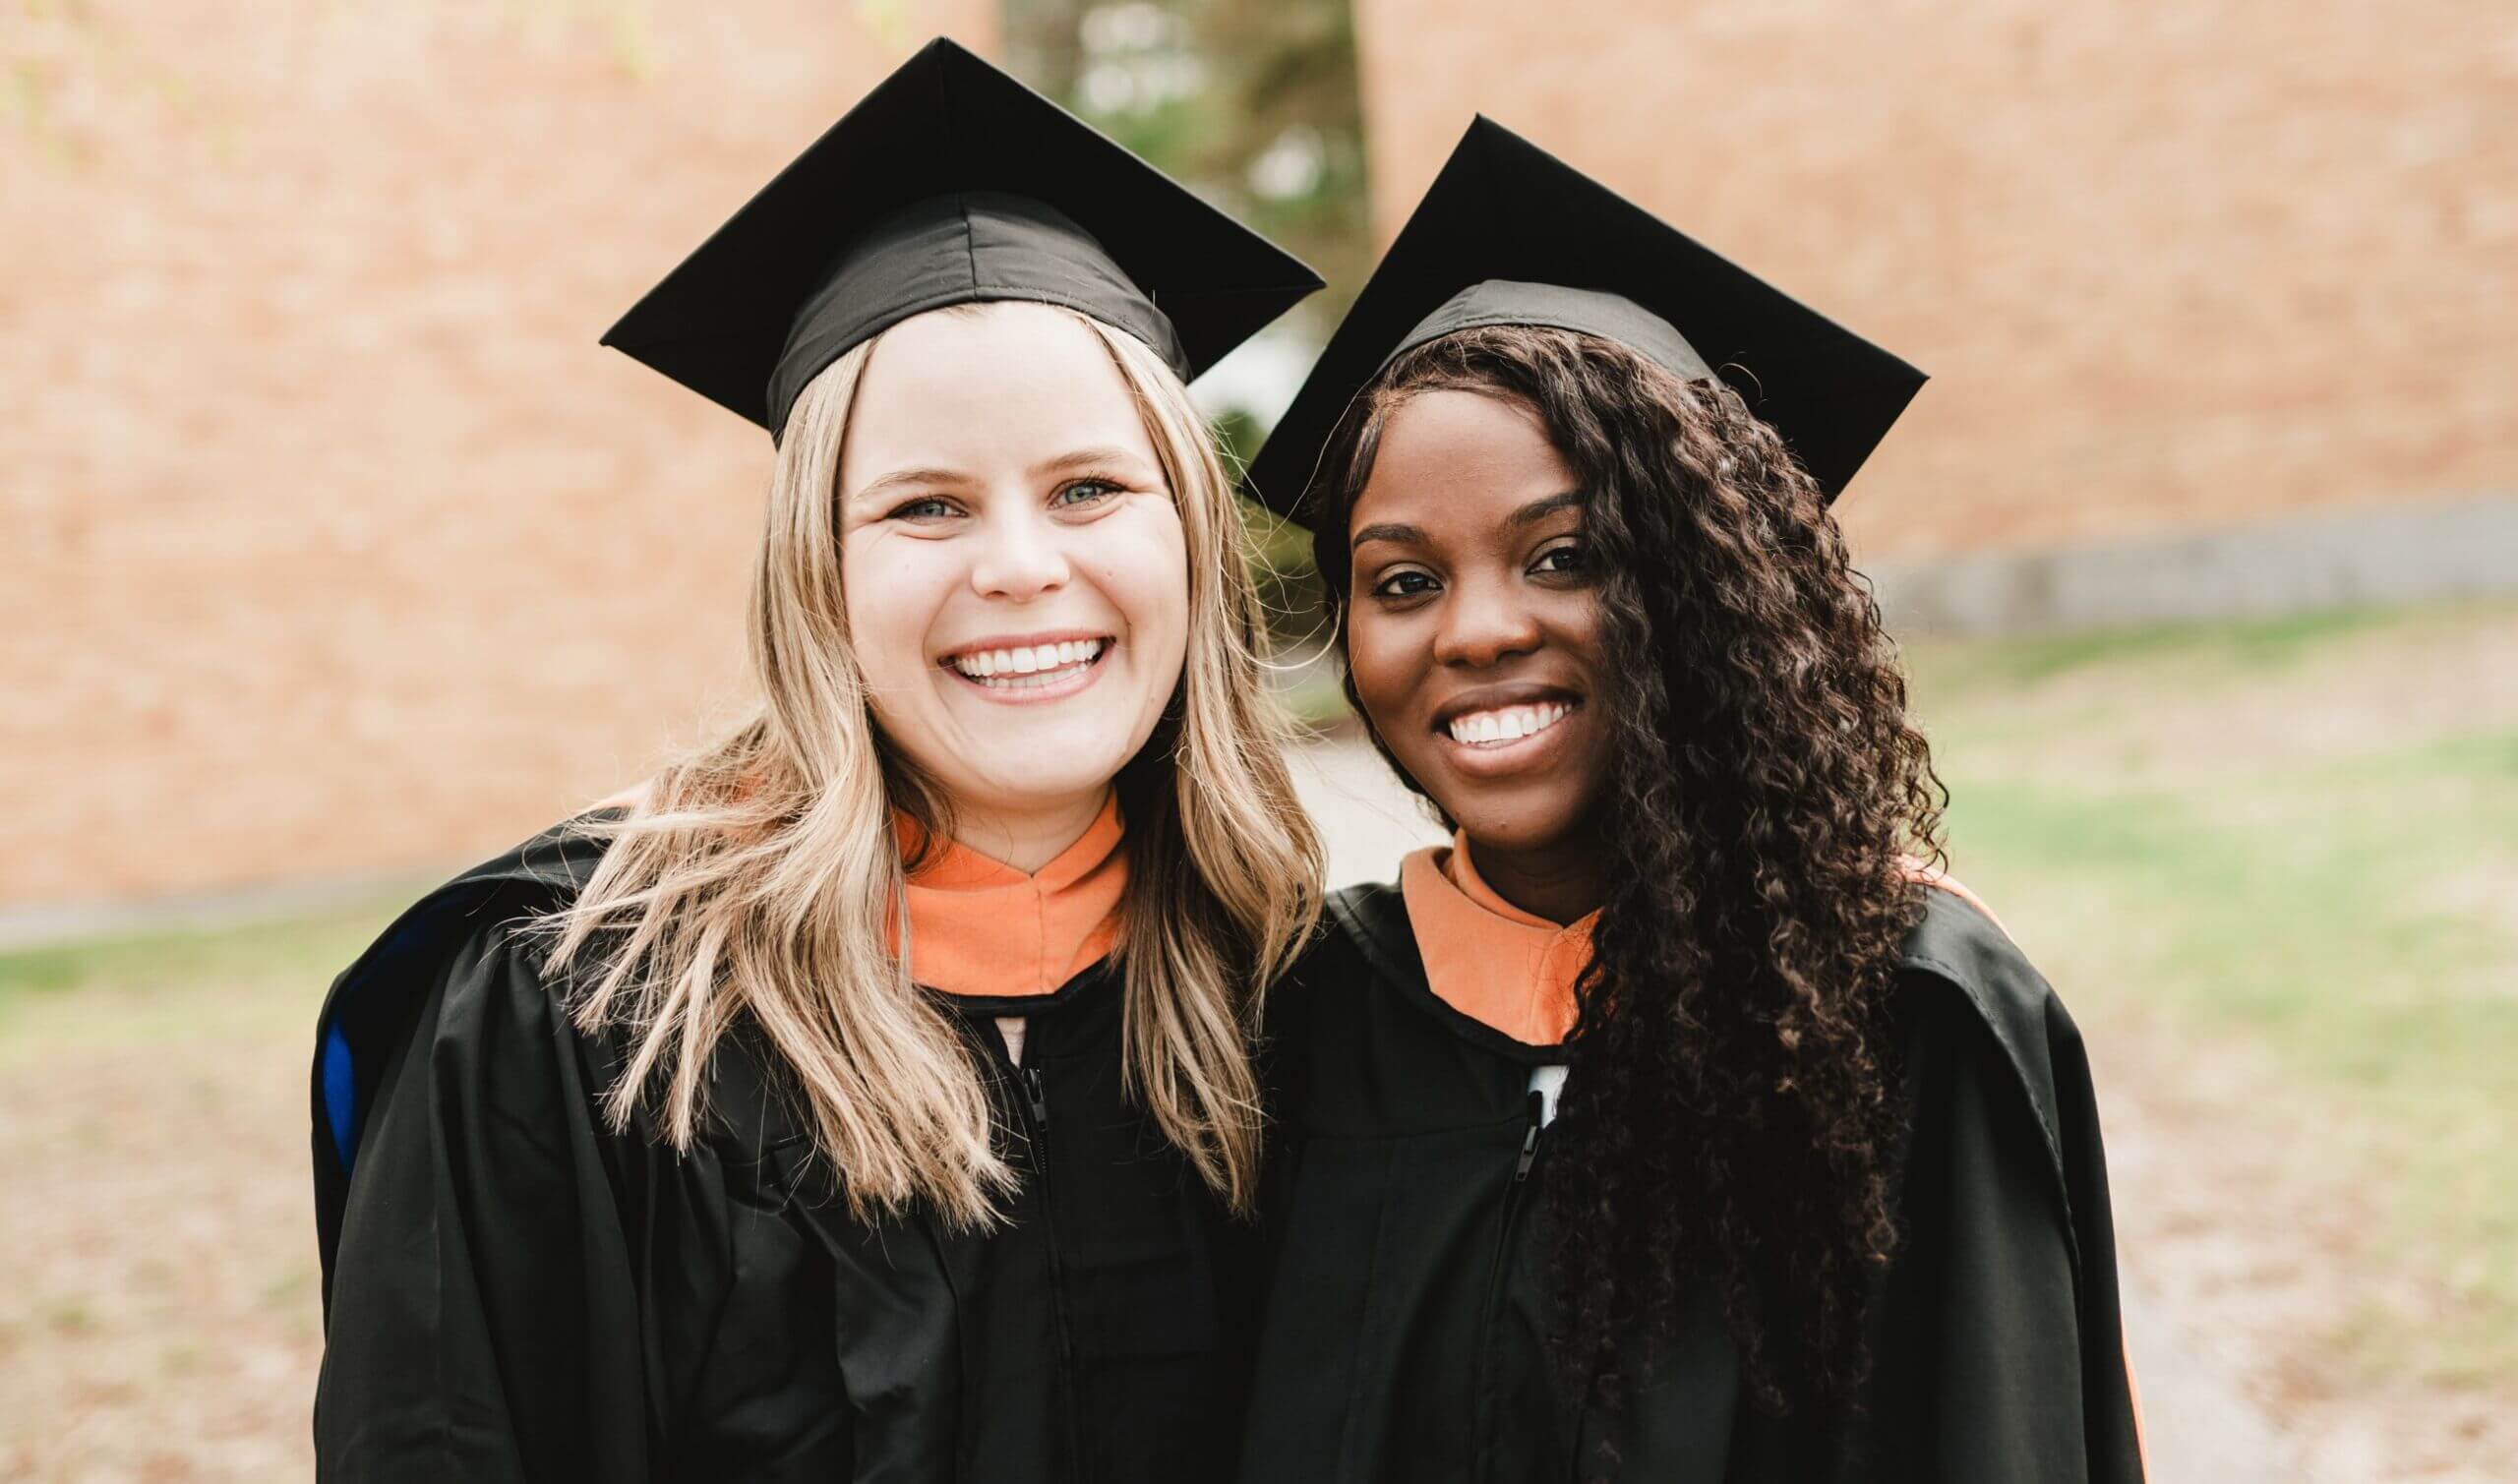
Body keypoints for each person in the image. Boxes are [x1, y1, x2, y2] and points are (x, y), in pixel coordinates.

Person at [308, 40, 1324, 1482]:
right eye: (926, 506)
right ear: (817, 578)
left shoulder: (1289, 993)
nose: (1023, 567)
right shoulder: (582, 1015)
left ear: (1191, 538)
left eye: (1090, 487)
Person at [1234, 118, 2147, 1482]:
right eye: (1404, 580)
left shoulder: (1899, 1011)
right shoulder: (1322, 1016)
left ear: (1714, 586)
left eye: (1567, 554)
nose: (1476, 629)